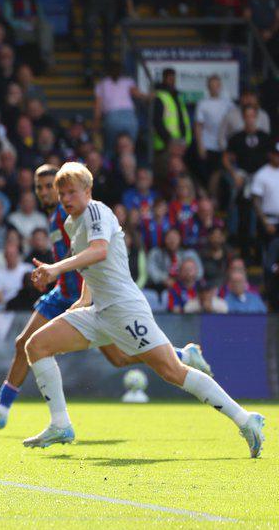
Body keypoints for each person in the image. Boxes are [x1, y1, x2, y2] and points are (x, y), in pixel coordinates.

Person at [21, 163, 263, 456]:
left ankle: (245, 419)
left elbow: (100, 250)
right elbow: (91, 266)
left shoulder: (97, 212)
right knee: (36, 346)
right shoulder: (72, 224)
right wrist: (84, 299)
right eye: (62, 194)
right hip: (99, 312)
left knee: (172, 371)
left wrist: (55, 269)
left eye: (72, 192)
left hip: (125, 309)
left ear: (88, 190)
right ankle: (60, 424)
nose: (66, 198)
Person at [0, 165, 209, 428]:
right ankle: (3, 408)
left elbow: (90, 255)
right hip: (62, 293)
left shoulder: (71, 213)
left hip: (86, 294)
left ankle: (180, 356)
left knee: (119, 358)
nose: (45, 192)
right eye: (40, 187)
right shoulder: (55, 217)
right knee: (25, 342)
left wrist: (76, 287)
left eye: (50, 187)